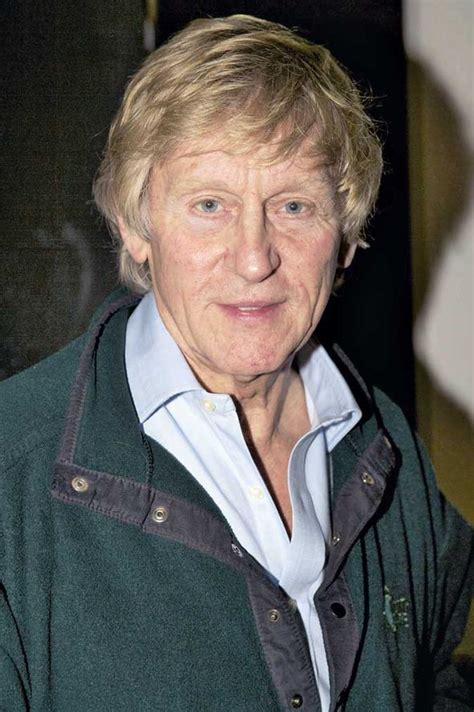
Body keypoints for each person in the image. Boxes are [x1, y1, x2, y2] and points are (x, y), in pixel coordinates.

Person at [0, 14, 472, 712]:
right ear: (135, 224)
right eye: (210, 204)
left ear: (345, 237)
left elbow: (438, 680)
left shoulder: (387, 448)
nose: (255, 258)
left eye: (294, 205)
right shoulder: (14, 473)